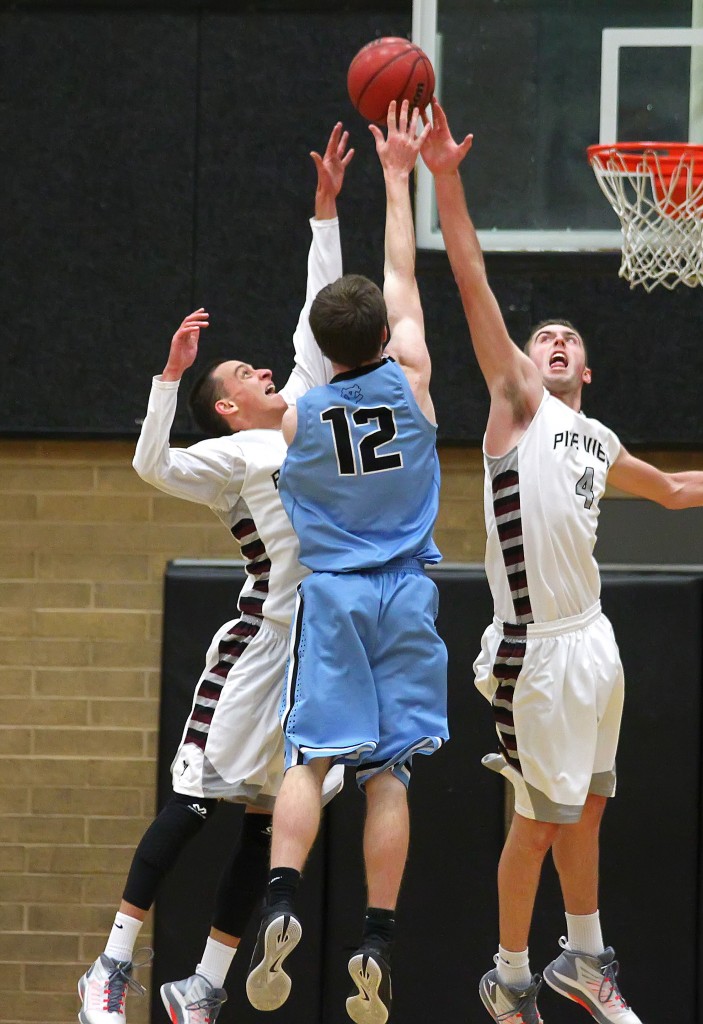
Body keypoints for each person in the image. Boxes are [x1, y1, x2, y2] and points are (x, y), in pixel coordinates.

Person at [419, 99, 703, 1024]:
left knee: (588, 809)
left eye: (570, 342)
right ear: (525, 358)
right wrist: (445, 179)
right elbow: (473, 284)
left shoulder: (594, 437)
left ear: (586, 371)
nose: (554, 344)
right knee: (538, 819)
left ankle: (585, 960)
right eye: (544, 336)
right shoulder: (515, 404)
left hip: (594, 645)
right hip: (534, 650)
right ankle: (510, 973)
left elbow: (672, 489)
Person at [76, 123, 354, 1024]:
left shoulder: (311, 407)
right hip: (259, 643)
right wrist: (171, 377)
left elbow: (321, 311)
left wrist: (324, 211)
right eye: (244, 370)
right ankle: (111, 966)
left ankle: (202, 986)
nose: (268, 366)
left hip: (319, 656)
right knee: (196, 802)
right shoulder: (231, 452)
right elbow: (150, 466)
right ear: (228, 404)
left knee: (266, 823)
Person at [244, 100, 448, 1024]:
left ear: (321, 351)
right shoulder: (411, 378)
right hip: (406, 593)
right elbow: (401, 272)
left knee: (309, 757)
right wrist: (397, 174)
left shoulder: (292, 418)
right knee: (390, 773)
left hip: (330, 596)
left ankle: (282, 900)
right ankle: (376, 935)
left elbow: (275, 387)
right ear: (379, 339)